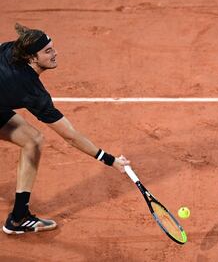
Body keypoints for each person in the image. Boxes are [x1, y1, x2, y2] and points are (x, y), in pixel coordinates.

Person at [0, 23, 130, 235]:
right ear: (32, 58)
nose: (55, 53)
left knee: (32, 140)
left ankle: (19, 217)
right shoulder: (31, 91)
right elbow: (70, 136)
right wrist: (110, 160)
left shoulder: (11, 49)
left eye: (53, 47)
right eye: (48, 51)